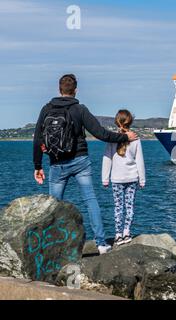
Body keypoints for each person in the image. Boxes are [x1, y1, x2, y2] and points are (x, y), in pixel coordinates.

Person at [33, 74, 138, 254]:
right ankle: (101, 244)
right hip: (80, 161)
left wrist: (37, 166)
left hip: (56, 163)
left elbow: (37, 138)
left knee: (53, 206)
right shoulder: (79, 109)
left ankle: (50, 248)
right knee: (90, 201)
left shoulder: (46, 109)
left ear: (59, 89)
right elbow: (101, 134)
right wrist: (124, 137)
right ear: (76, 90)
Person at [102, 110, 145, 246]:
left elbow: (107, 159)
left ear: (117, 122)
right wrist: (142, 179)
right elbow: (140, 161)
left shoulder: (112, 139)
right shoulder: (136, 139)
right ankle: (127, 232)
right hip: (132, 178)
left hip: (116, 179)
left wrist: (105, 178)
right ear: (130, 122)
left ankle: (118, 235)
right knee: (130, 206)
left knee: (118, 207)